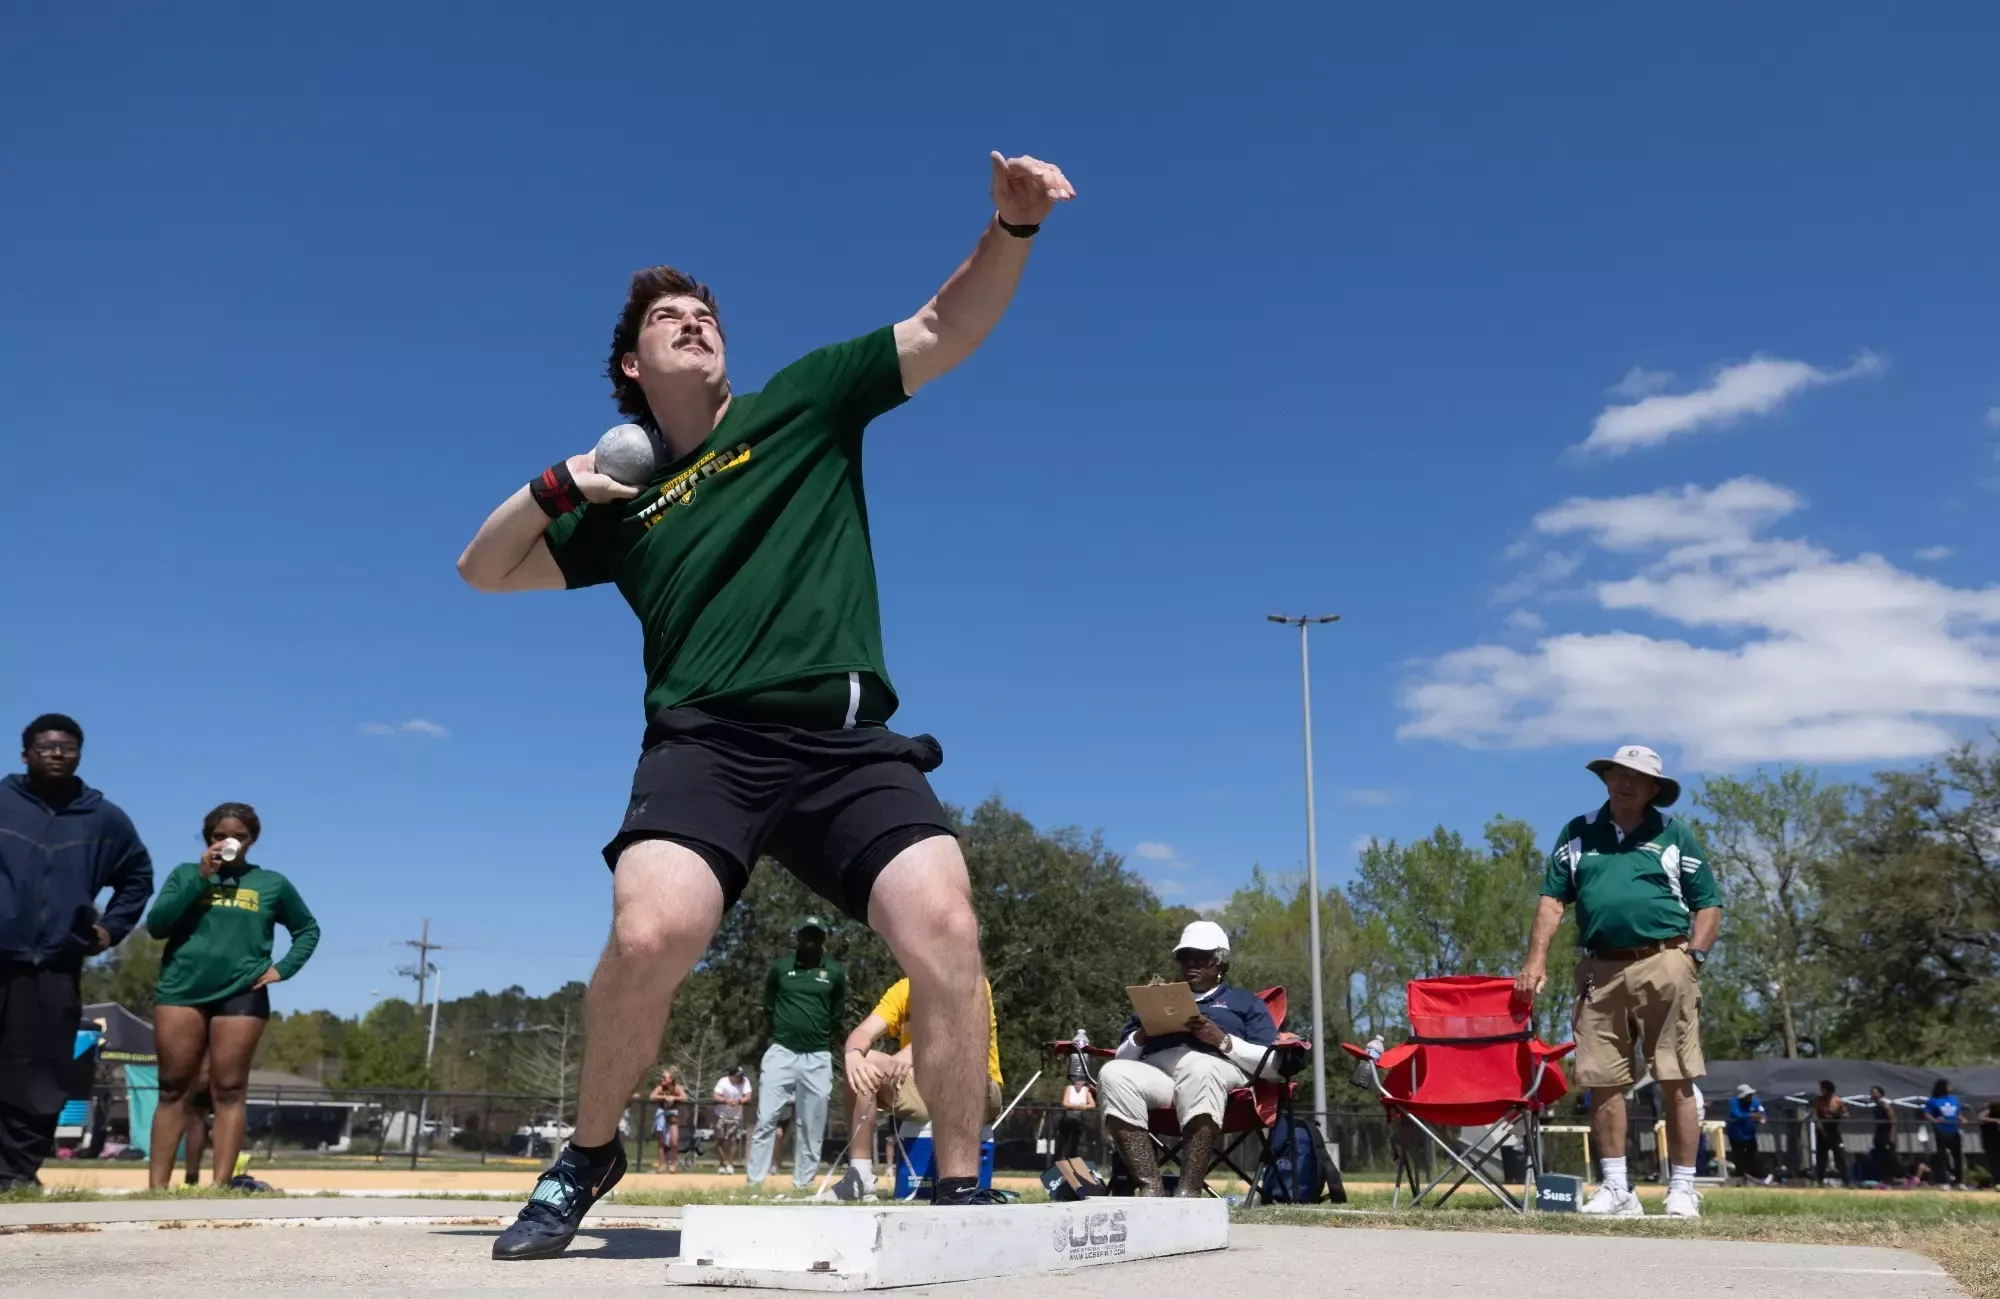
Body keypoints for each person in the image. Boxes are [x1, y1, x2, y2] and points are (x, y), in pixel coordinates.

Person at [461, 151, 1074, 1259]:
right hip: (708, 742)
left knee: (945, 926)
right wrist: (555, 485)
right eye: (668, 319)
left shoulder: (804, 401)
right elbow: (483, 570)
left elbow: (942, 328)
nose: (695, 323)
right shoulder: (622, 503)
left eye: (705, 313)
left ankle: (951, 1190)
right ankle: (590, 1152)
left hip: (845, 741)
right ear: (631, 366)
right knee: (653, 930)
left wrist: (1011, 231)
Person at [1514, 745, 1721, 1219]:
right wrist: (1536, 961)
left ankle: (1683, 1189)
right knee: (1601, 1079)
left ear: (1653, 789)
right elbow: (1552, 901)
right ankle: (1615, 1188)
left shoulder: (1674, 835)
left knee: (1676, 1074)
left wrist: (1694, 957)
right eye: (1614, 773)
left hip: (1666, 961)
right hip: (1598, 969)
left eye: (1635, 777)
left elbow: (1707, 902)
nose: (1622, 782)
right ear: (1604, 778)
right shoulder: (1578, 832)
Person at [0, 714, 154, 1191]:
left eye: (67, 746)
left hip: (54, 965)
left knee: (41, 1069)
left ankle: (15, 1173)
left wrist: (108, 931)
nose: (57, 753)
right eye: (46, 746)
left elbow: (137, 877)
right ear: (25, 754)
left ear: (79, 754)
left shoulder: (102, 818)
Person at [144, 802, 319, 1190]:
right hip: (182, 991)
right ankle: (155, 1190)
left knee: (229, 1088)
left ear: (252, 840)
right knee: (174, 1086)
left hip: (242, 992)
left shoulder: (271, 883)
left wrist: (281, 969)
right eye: (221, 836)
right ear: (209, 838)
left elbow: (307, 929)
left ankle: (220, 1186)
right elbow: (157, 926)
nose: (229, 843)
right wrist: (201, 878)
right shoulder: (186, 874)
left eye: (239, 837)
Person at [1099, 921, 1280, 1198]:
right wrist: (1143, 1034)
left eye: (1201, 957)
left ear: (1220, 961)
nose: (1191, 964)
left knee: (1200, 1066)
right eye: (1184, 958)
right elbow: (1122, 1055)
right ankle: (1151, 1189)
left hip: (1217, 1070)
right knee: (1113, 1073)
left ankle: (1189, 1190)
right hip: (1159, 1074)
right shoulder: (1157, 999)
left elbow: (1272, 1065)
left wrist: (1222, 1040)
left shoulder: (1243, 1002)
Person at [838, 973, 1003, 1199]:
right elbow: (863, 1032)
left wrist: (916, 1051)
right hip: (923, 1089)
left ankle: (957, 1184)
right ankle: (859, 1176)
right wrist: (854, 1054)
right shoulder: (903, 989)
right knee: (860, 1063)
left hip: (976, 1089)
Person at [746, 918, 846, 1193]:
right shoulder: (780, 969)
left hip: (818, 1056)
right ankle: (754, 1185)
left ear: (824, 939)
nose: (811, 941)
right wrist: (783, 1029)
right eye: (806, 935)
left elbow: (837, 1014)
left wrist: (821, 1036)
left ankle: (803, 1186)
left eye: (816, 936)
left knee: (811, 1125)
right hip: (782, 1052)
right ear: (797, 937)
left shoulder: (835, 973)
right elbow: (769, 1005)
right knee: (766, 1118)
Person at [711, 1066, 751, 1175]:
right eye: (738, 1076)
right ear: (732, 1076)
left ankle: (730, 1165)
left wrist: (739, 1101)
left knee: (733, 1140)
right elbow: (715, 1096)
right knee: (720, 1140)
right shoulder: (723, 1082)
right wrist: (726, 1100)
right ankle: (721, 1165)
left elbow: (748, 1097)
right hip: (721, 1115)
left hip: (736, 1115)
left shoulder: (745, 1081)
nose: (740, 1078)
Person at [1725, 1084, 1767, 1186]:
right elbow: (1736, 1114)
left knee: (1752, 1155)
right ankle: (1739, 1177)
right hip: (1736, 1135)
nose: (1749, 1097)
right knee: (1738, 1156)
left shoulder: (1756, 1101)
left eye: (1750, 1095)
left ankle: (1752, 1175)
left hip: (1750, 1135)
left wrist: (1762, 1117)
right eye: (1747, 1095)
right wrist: (1751, 1115)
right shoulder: (1733, 1102)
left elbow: (1762, 1112)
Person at [1055, 1064, 1097, 1166]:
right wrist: (1077, 1106)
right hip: (1068, 1118)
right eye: (1077, 1080)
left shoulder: (1086, 1090)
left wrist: (1084, 1107)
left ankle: (1072, 1164)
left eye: (1081, 1080)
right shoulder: (1069, 1088)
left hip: (1078, 1120)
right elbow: (1065, 1103)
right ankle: (1057, 1162)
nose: (1079, 1082)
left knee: (1075, 1143)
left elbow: (1092, 1104)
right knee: (1062, 1142)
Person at [1924, 1079, 1962, 1187]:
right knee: (1942, 1156)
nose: (1951, 1087)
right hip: (1941, 1131)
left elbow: (1958, 1113)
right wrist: (1935, 1120)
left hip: (1954, 1130)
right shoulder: (1933, 1100)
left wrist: (1961, 1118)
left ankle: (1958, 1180)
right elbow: (1926, 1113)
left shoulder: (1953, 1099)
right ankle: (1944, 1179)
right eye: (1948, 1085)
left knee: (1957, 1156)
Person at [649, 1068, 688, 1172]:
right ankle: (662, 1164)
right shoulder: (660, 1087)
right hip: (661, 1113)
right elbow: (652, 1096)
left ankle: (672, 1163)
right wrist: (664, 1097)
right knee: (661, 1141)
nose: (662, 1079)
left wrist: (673, 1098)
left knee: (674, 1141)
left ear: (671, 1079)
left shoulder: (677, 1088)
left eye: (664, 1077)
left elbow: (684, 1097)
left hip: (672, 1114)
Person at [1812, 1080, 1850, 1184]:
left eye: (1823, 1088)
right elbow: (1815, 1116)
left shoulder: (1837, 1100)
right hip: (1822, 1130)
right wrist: (1821, 1129)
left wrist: (1837, 1114)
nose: (1821, 1091)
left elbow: (1846, 1114)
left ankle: (1846, 1179)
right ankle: (1819, 1180)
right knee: (1821, 1158)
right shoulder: (1818, 1100)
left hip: (1834, 1130)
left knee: (1840, 1156)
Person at [1868, 1085, 1899, 1183]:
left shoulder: (1884, 1104)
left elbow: (1893, 1120)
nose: (1872, 1094)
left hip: (1886, 1134)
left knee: (1888, 1158)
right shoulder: (1876, 1106)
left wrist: (1892, 1136)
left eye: (1874, 1092)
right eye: (1871, 1092)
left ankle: (1893, 1178)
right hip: (1879, 1134)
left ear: (1880, 1094)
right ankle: (1883, 1178)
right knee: (1880, 1157)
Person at [1978, 1096, 1999, 1189]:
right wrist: (1996, 1120)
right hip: (1991, 1144)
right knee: (1994, 1163)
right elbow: (1980, 1117)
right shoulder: (1986, 1121)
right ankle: (1997, 1181)